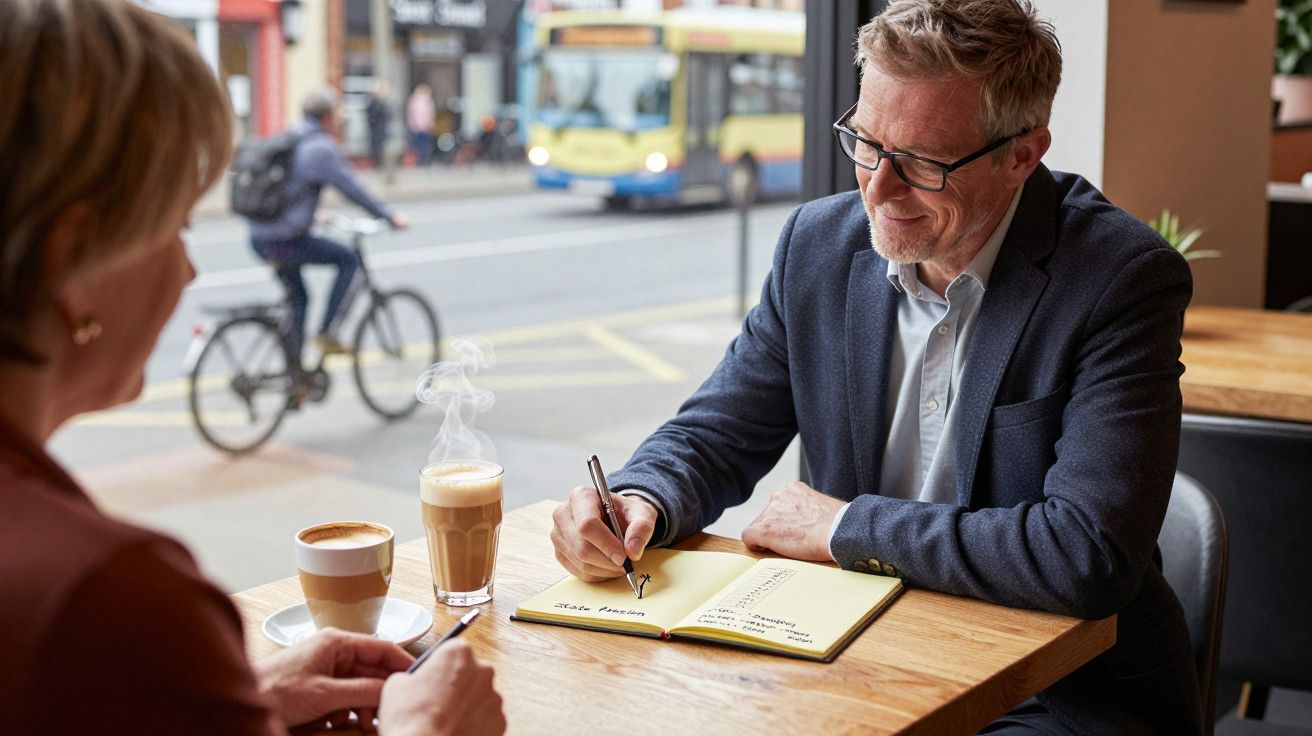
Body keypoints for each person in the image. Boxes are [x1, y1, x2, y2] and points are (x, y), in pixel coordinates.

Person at [550, 1, 1200, 733]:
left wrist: (846, 528)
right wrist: (640, 501)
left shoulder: (1121, 279)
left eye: (922, 162)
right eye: (865, 142)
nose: (877, 189)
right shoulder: (818, 246)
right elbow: (718, 432)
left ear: (1022, 154)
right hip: (852, 657)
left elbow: (1086, 553)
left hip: (1054, 694)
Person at [0, 2, 504, 734]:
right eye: (172, 224)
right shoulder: (108, 597)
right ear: (70, 260)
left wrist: (229, 705)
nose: (187, 268)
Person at [248, 88, 408, 368]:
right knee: (348, 260)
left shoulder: (290, 138)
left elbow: (288, 189)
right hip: (283, 239)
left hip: (260, 236)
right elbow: (353, 189)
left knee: (299, 299)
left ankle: (295, 376)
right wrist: (388, 215)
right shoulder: (321, 148)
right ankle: (326, 332)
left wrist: (310, 213)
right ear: (328, 118)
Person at [406, 84, 436, 167]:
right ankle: (421, 161)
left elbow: (430, 114)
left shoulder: (427, 101)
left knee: (423, 145)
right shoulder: (416, 101)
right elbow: (412, 114)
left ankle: (423, 160)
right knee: (420, 145)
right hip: (419, 127)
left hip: (423, 127)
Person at [366, 79, 392, 170]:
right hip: (376, 128)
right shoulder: (374, 104)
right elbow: (373, 115)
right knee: (376, 146)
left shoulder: (380, 103)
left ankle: (379, 162)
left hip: (379, 128)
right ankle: (377, 163)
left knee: (379, 146)